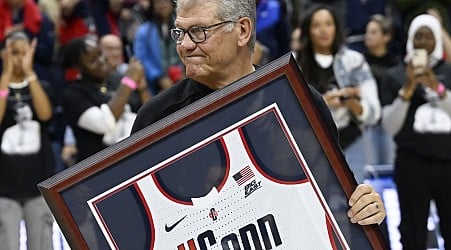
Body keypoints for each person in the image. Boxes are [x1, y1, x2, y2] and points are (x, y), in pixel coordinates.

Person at [132, 0, 385, 234]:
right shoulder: (156, 119)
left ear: (242, 31)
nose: (184, 45)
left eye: (198, 31)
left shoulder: (299, 103)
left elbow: (333, 199)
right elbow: (136, 225)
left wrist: (364, 208)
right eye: (179, 32)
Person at [380, 14, 451, 249]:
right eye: (418, 35)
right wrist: (408, 89)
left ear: (437, 40)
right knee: (412, 231)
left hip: (448, 162)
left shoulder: (449, 73)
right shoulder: (395, 76)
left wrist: (437, 88)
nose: (422, 41)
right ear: (410, 39)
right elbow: (390, 126)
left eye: (428, 36)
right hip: (412, 164)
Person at [295, 5, 381, 184]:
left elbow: (374, 112)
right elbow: (288, 111)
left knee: (354, 203)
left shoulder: (354, 61)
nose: (323, 30)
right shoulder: (295, 63)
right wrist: (323, 102)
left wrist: (352, 103)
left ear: (336, 28)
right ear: (308, 30)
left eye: (328, 24)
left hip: (351, 142)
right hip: (309, 145)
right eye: (316, 25)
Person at [0, 31, 55, 250]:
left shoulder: (41, 86)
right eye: (15, 53)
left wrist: (30, 73)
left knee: (42, 244)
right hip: (3, 187)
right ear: (4, 54)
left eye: (25, 54)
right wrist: (5, 77)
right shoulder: (1, 86)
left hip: (38, 183)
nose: (20, 59)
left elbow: (45, 115)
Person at [61, 36, 150, 163]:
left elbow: (148, 112)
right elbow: (105, 123)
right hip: (102, 166)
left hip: (137, 153)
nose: (101, 61)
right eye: (92, 61)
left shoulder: (117, 78)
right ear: (78, 67)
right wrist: (129, 81)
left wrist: (142, 88)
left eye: (101, 55)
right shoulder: (73, 95)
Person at [363, 14, 399, 166]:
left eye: (373, 32)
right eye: (367, 32)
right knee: (370, 168)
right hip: (367, 122)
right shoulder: (359, 61)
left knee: (390, 165)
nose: (368, 36)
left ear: (387, 36)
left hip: (390, 120)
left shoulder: (396, 62)